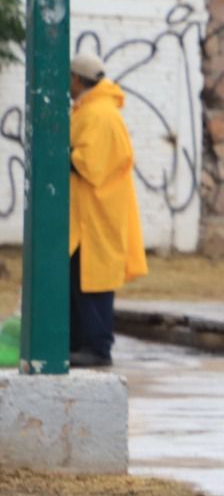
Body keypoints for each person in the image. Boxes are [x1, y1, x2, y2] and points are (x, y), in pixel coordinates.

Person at [68, 52, 146, 368]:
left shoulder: (99, 114)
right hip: (88, 215)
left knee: (93, 284)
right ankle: (79, 344)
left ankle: (97, 347)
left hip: (96, 216)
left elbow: (91, 164)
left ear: (77, 79)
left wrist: (63, 153)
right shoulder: (92, 109)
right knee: (79, 282)